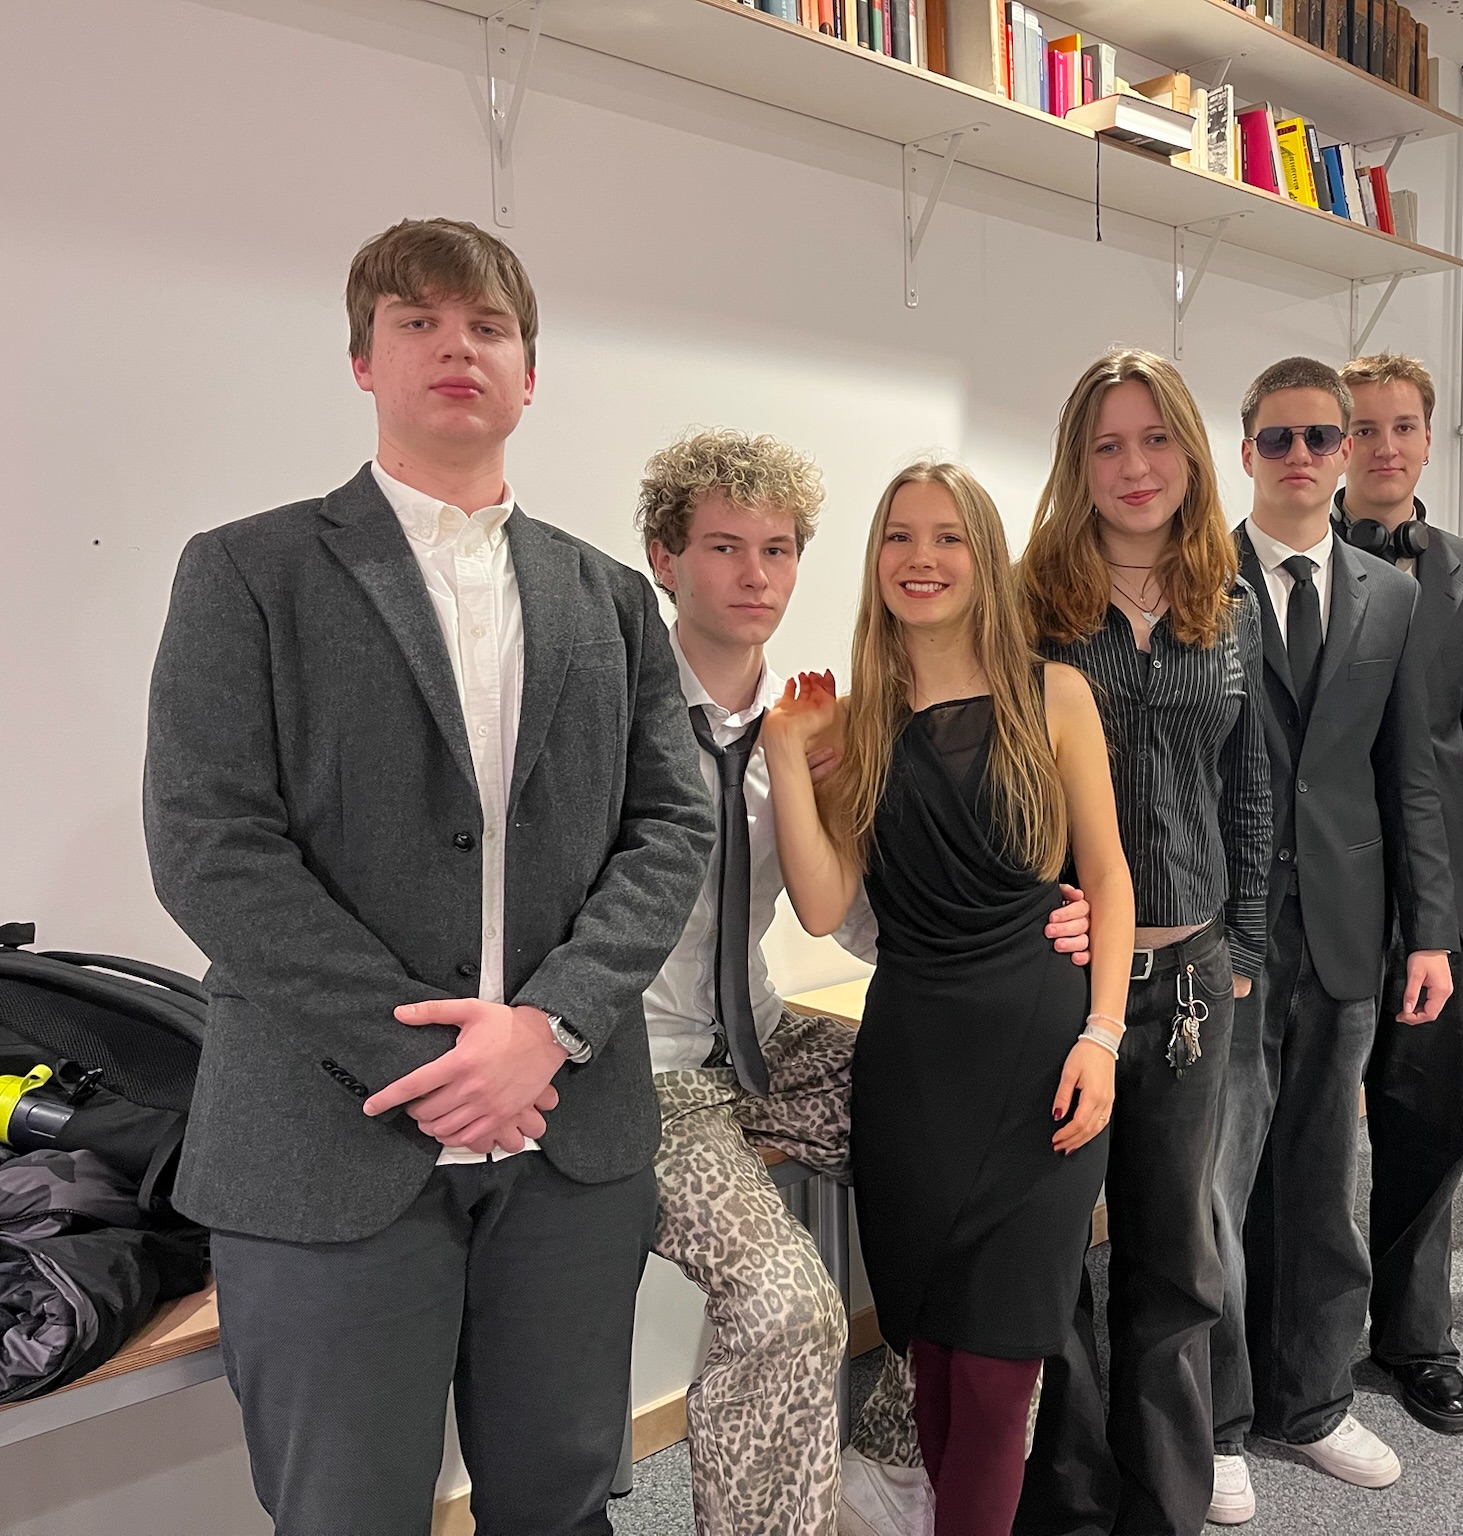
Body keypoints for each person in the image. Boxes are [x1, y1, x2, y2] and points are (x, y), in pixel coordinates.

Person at [141, 217, 715, 1535]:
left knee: (562, 1505)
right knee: (345, 1513)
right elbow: (211, 847)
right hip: (322, 1143)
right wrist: (442, 1061)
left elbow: (671, 829)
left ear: (530, 373)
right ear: (364, 360)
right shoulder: (247, 573)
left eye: (488, 326)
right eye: (417, 322)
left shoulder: (611, 598)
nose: (457, 346)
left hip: (569, 1143)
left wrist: (550, 1026)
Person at [630, 429, 1096, 1536]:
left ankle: (896, 1465)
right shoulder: (618, 724)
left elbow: (863, 914)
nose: (754, 575)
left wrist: (1042, 917)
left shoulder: (822, 729)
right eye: (723, 547)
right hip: (650, 1070)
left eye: (777, 550)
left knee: (994, 1188)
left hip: (767, 1038)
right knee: (796, 1307)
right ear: (664, 560)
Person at [763, 462, 1136, 1536]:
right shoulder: (858, 723)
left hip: (1038, 1059)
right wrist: (788, 755)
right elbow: (822, 902)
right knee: (928, 1358)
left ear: (985, 557)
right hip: (912, 1066)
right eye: (899, 537)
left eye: (946, 538)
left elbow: (1108, 877)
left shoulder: (1052, 695)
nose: (919, 560)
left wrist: (1104, 1037)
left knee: (998, 1376)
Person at [1013, 349, 1270, 1536]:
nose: (1133, 466)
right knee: (1055, 1253)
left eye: (1155, 439)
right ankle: (1068, 1503)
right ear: (1077, 464)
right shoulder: (1031, 606)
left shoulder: (1229, 602)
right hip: (1067, 979)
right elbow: (997, 784)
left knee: (1175, 1255)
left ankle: (1164, 1502)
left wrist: (1241, 945)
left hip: (1193, 978)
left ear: (1190, 455)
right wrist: (1032, 906)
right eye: (1106, 444)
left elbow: (1249, 783)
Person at [1209, 357, 1458, 1524]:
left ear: (1349, 450)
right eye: (1279, 438)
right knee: (1213, 1184)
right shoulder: (1193, 578)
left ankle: (1307, 1402)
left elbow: (1411, 773)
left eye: (1322, 436)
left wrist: (1430, 932)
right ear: (1245, 451)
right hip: (1223, 934)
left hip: (1347, 931)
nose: (1302, 456)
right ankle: (1214, 1418)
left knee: (1319, 1176)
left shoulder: (1390, 598)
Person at [1332, 353, 1463, 1436]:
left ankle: (1413, 1338)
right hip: (1320, 883)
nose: (1383, 446)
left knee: (1427, 1122)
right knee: (1299, 1134)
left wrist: (1448, 914)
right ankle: (1294, 1339)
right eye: (1362, 427)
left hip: (1430, 896)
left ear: (1429, 439)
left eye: (1402, 426)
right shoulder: (1278, 559)